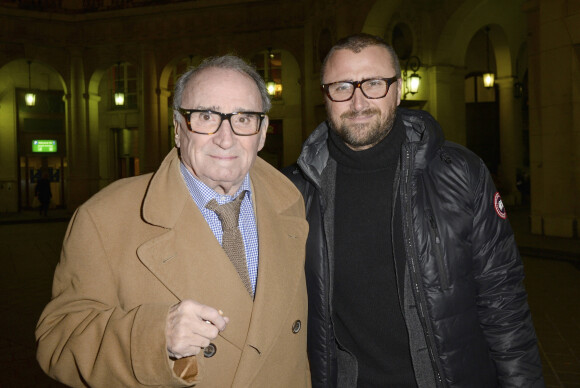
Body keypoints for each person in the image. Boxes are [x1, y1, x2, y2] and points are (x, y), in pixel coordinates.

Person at [284, 33, 544, 387]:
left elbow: (503, 299)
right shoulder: (295, 192)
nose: (358, 101)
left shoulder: (460, 173)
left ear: (399, 88)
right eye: (342, 86)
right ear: (325, 94)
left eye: (374, 83)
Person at [36, 55, 311, 387]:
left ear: (263, 132)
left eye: (243, 118)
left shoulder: (292, 203)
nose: (226, 138)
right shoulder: (104, 217)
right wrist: (152, 338)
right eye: (206, 117)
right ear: (179, 130)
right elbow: (56, 341)